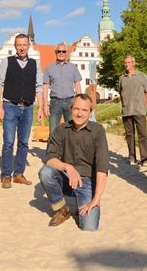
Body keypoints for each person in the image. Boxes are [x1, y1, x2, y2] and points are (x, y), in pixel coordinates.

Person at [38, 94, 109, 231]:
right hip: (67, 178)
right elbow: (50, 159)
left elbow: (102, 167)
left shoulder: (98, 131)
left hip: (88, 182)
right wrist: (67, 167)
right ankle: (62, 209)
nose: (79, 113)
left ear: (90, 112)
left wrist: (96, 199)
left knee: (89, 227)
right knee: (45, 172)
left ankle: (81, 202)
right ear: (71, 109)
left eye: (84, 110)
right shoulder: (61, 129)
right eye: (76, 109)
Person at [0, 33, 43, 188]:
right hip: (10, 106)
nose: (22, 47)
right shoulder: (6, 62)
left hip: (28, 107)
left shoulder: (35, 64)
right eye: (19, 45)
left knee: (23, 143)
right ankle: (6, 175)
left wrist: (41, 107)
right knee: (8, 142)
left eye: (24, 44)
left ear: (28, 45)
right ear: (15, 46)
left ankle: (19, 174)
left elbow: (39, 87)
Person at [118, 55, 147, 166]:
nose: (127, 64)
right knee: (129, 135)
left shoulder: (142, 76)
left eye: (129, 62)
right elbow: (121, 93)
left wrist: (145, 106)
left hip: (139, 110)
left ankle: (145, 158)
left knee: (142, 134)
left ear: (134, 63)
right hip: (126, 111)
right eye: (125, 63)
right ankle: (132, 157)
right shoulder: (121, 78)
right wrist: (124, 105)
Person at [43, 42, 82, 133]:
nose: (61, 53)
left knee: (72, 129)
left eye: (63, 51)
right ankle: (54, 147)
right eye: (59, 51)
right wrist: (45, 104)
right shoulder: (49, 68)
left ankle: (70, 147)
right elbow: (45, 86)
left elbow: (77, 85)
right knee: (53, 130)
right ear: (55, 52)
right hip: (55, 102)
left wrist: (79, 102)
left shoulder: (73, 67)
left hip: (70, 101)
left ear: (66, 53)